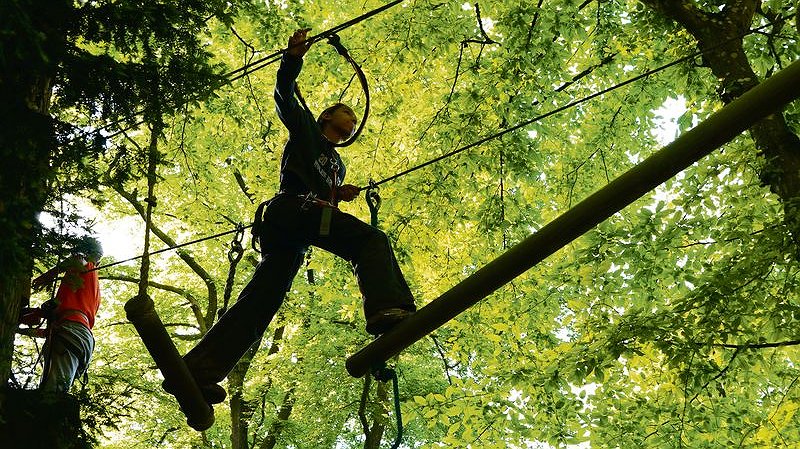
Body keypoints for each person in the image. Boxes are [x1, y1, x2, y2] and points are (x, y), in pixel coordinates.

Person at [169, 29, 416, 404]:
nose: (351, 120)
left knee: (262, 299)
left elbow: (321, 191)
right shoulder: (305, 131)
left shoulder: (338, 163)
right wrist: (292, 59)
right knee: (369, 240)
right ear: (327, 117)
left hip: (295, 232)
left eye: (353, 117)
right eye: (345, 113)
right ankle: (387, 308)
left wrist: (337, 194)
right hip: (291, 210)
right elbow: (284, 94)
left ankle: (198, 370)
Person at [19, 236, 103, 392]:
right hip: (71, 335)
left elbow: (78, 260)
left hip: (73, 333)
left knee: (53, 395)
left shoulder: (90, 269)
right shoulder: (83, 292)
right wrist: (20, 329)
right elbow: (47, 331)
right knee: (50, 390)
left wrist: (47, 276)